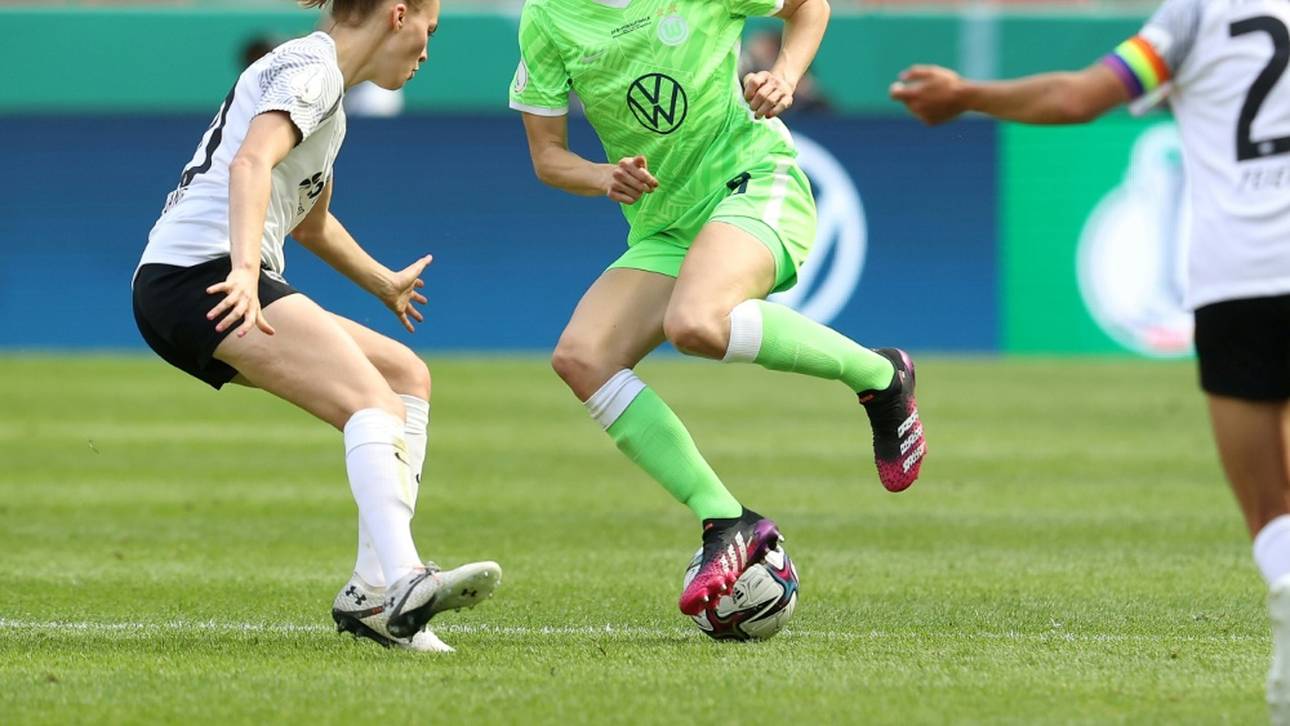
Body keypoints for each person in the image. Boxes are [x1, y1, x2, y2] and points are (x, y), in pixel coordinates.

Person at [890, 0, 1290, 718]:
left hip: (1243, 286)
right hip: (1243, 283)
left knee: (1271, 509)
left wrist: (968, 95)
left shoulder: (1196, 15)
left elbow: (1078, 96)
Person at [509, 0, 927, 617]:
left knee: (696, 322)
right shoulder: (546, 16)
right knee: (581, 358)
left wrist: (784, 75)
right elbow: (548, 156)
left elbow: (810, 8)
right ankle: (726, 520)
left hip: (755, 180)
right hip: (665, 225)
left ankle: (882, 377)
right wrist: (602, 177)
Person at [132, 0, 500, 653]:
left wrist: (381, 281)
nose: (427, 50)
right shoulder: (313, 70)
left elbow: (310, 223)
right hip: (202, 276)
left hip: (204, 276)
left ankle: (371, 591)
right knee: (372, 402)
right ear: (395, 14)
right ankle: (404, 579)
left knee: (403, 375)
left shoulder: (321, 85)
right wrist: (245, 271)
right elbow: (250, 162)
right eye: (428, 30)